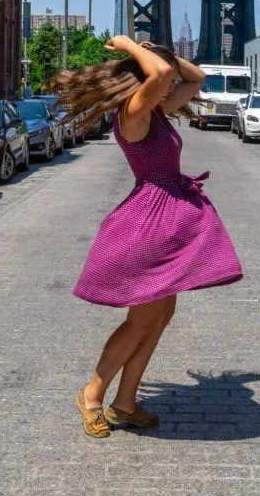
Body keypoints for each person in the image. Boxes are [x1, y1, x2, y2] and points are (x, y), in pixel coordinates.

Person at [56, 35, 243, 439]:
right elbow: (159, 73)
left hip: (168, 221)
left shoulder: (157, 110)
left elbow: (197, 79)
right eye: (162, 79)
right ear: (144, 80)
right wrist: (129, 45)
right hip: (150, 224)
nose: (170, 83)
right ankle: (91, 394)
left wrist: (163, 51)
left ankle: (125, 402)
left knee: (160, 315)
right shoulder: (135, 110)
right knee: (141, 320)